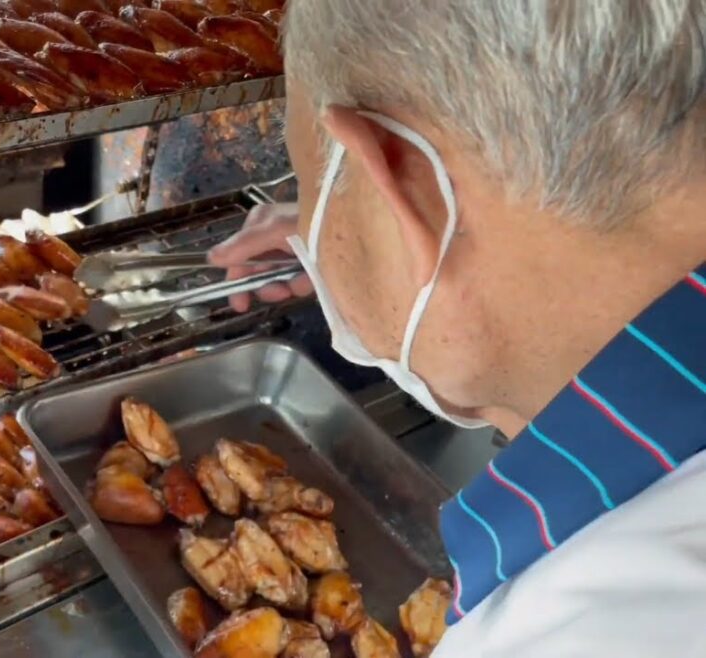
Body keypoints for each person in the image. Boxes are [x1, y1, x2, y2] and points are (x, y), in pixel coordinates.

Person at [209, 2, 706, 656]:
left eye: (310, 183)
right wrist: (359, 228)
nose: (309, 231)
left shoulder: (580, 634)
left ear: (410, 194)